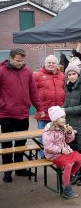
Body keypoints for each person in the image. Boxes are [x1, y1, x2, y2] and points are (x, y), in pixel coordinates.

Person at [0, 48, 45, 183]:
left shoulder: (27, 72)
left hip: (23, 113)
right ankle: (8, 170)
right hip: (6, 114)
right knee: (7, 143)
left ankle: (20, 168)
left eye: (22, 60)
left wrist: (39, 108)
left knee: (21, 141)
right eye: (18, 60)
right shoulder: (1, 71)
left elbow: (33, 91)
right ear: (11, 58)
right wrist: (2, 104)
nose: (20, 63)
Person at [42, 106, 81, 199]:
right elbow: (47, 147)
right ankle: (66, 188)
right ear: (55, 119)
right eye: (62, 117)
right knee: (68, 165)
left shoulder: (62, 128)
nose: (64, 119)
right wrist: (61, 150)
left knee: (79, 161)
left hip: (64, 152)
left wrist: (70, 133)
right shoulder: (49, 131)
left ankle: (66, 179)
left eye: (64, 117)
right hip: (53, 155)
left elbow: (68, 141)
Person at [63, 63, 81, 186]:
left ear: (78, 74)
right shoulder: (69, 86)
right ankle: (78, 173)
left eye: (74, 74)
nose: (71, 77)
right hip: (71, 122)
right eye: (69, 74)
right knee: (74, 148)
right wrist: (61, 109)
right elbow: (68, 103)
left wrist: (65, 110)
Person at [33, 55, 66, 158]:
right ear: (45, 63)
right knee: (43, 136)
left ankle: (56, 155)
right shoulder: (37, 76)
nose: (51, 64)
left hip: (58, 115)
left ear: (57, 64)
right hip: (44, 113)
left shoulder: (62, 76)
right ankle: (42, 155)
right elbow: (32, 92)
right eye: (49, 62)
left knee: (58, 136)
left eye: (53, 63)